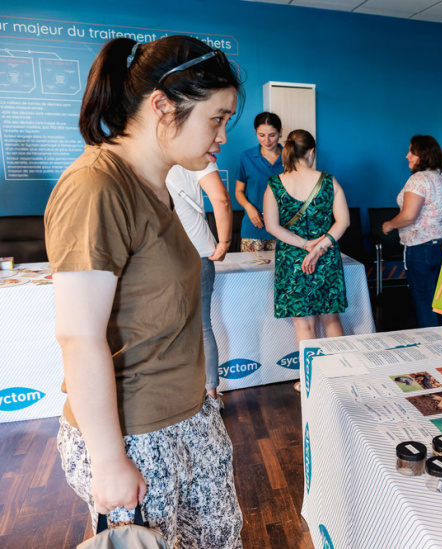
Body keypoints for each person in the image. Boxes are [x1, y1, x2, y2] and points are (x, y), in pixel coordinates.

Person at [44, 36, 243, 546]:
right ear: (163, 105)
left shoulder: (159, 182)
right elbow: (79, 337)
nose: (222, 136)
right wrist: (110, 460)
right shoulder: (96, 186)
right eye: (216, 119)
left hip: (187, 416)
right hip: (137, 434)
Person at [262, 129, 349, 391]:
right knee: (331, 318)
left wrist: (304, 245)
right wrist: (319, 246)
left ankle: (311, 381)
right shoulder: (329, 181)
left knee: (304, 322)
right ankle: (339, 376)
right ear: (311, 152)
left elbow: (272, 227)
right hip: (326, 258)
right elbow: (343, 221)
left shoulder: (274, 184)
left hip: (292, 259)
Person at [166, 162, 232, 400]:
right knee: (203, 326)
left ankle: (177, 398)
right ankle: (211, 397)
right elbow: (221, 199)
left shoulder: (148, 154)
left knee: (165, 328)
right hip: (199, 250)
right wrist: (224, 242)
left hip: (160, 253)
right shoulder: (197, 156)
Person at [382, 135, 442, 328]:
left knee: (424, 301)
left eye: (412, 152)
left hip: (421, 249)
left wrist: (389, 225)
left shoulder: (419, 180)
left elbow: (409, 215)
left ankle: (433, 351)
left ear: (423, 155)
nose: (407, 156)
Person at [236, 112, 283, 252]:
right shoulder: (246, 157)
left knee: (281, 273)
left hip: (284, 231)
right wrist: (249, 208)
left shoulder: (291, 158)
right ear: (255, 132)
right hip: (253, 230)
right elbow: (239, 191)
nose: (267, 140)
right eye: (261, 135)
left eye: (272, 135)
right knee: (252, 274)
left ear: (280, 133)